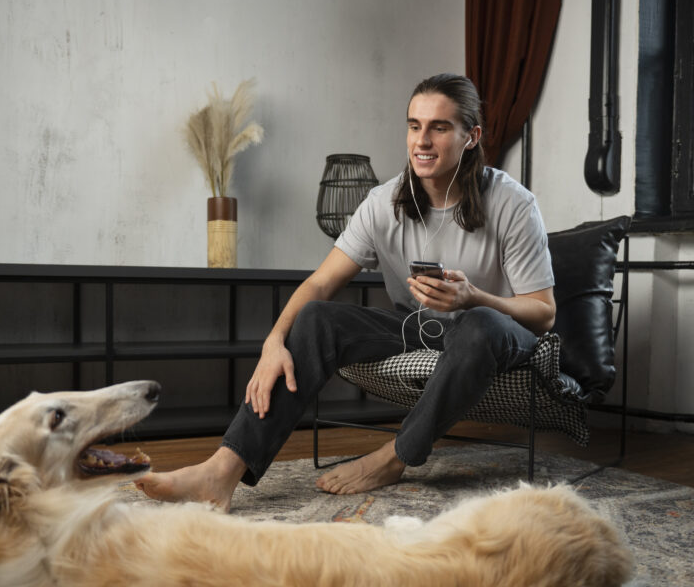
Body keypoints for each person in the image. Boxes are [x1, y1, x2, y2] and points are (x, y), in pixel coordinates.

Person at [136, 73, 555, 511]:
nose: (422, 141)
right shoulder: (383, 202)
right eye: (414, 126)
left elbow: (544, 313)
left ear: (472, 137)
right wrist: (273, 341)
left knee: (480, 325)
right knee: (316, 317)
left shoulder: (513, 204)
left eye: (440, 127)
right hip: (418, 326)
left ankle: (394, 457)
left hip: (496, 333)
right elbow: (320, 282)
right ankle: (222, 469)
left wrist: (474, 298)